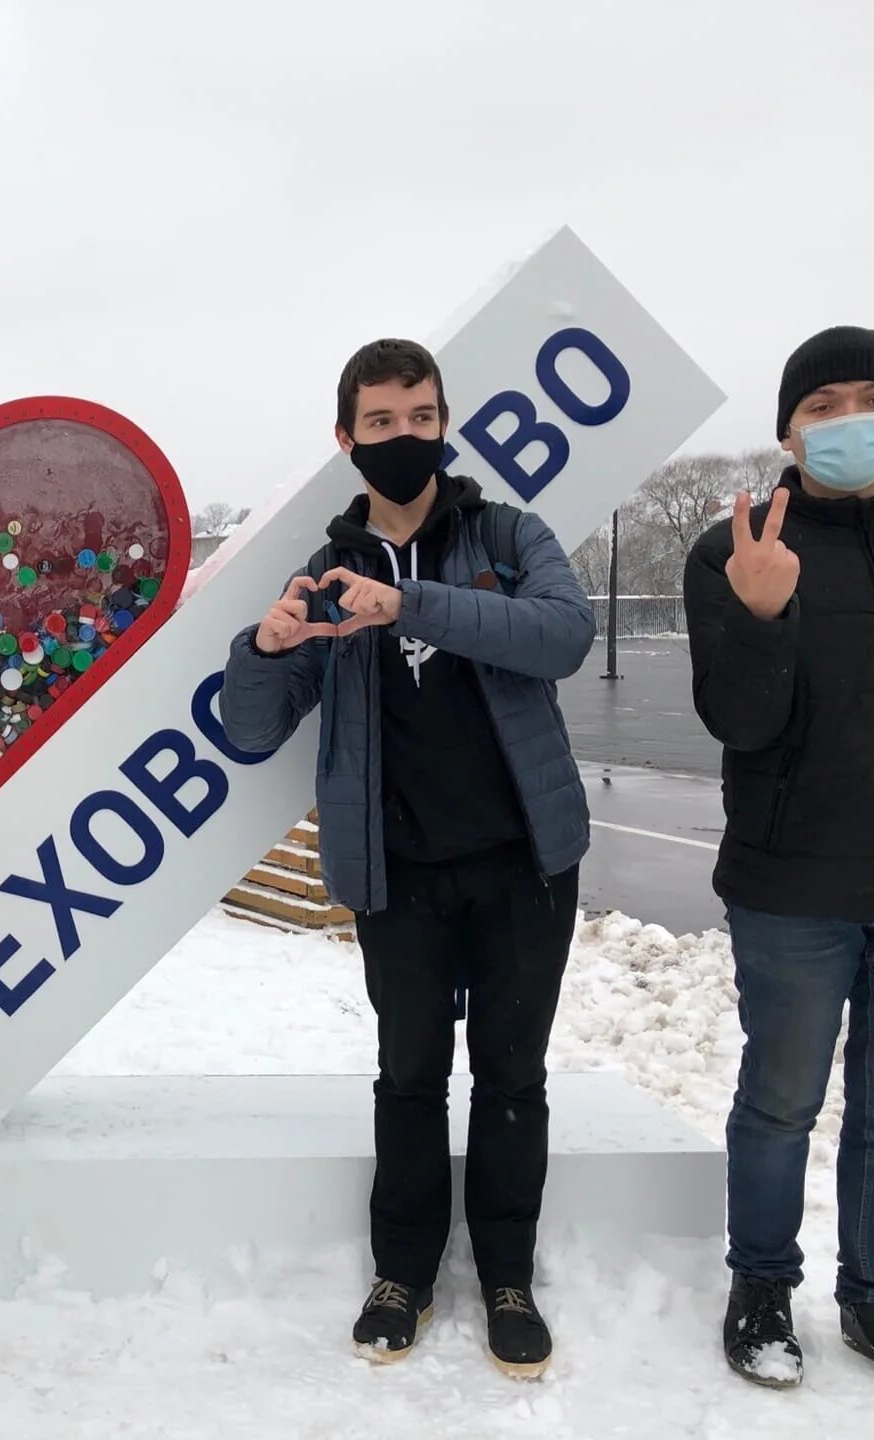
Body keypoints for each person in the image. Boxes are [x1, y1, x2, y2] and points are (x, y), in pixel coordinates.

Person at [219, 338, 593, 1379]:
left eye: (419, 416)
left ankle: (509, 1278)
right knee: (410, 1078)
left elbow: (564, 635)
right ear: (346, 439)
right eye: (379, 423)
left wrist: (411, 605)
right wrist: (269, 648)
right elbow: (253, 729)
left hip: (526, 862)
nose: (402, 437)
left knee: (514, 1076)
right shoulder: (325, 572)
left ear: (444, 422)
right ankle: (404, 1274)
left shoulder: (509, 535)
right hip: (400, 873)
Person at [684, 326, 874, 1405]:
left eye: (870, 397)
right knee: (780, 1101)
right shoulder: (735, 550)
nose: (848, 418)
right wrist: (763, 613)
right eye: (822, 404)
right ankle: (762, 1287)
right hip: (793, 887)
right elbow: (740, 722)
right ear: (788, 430)